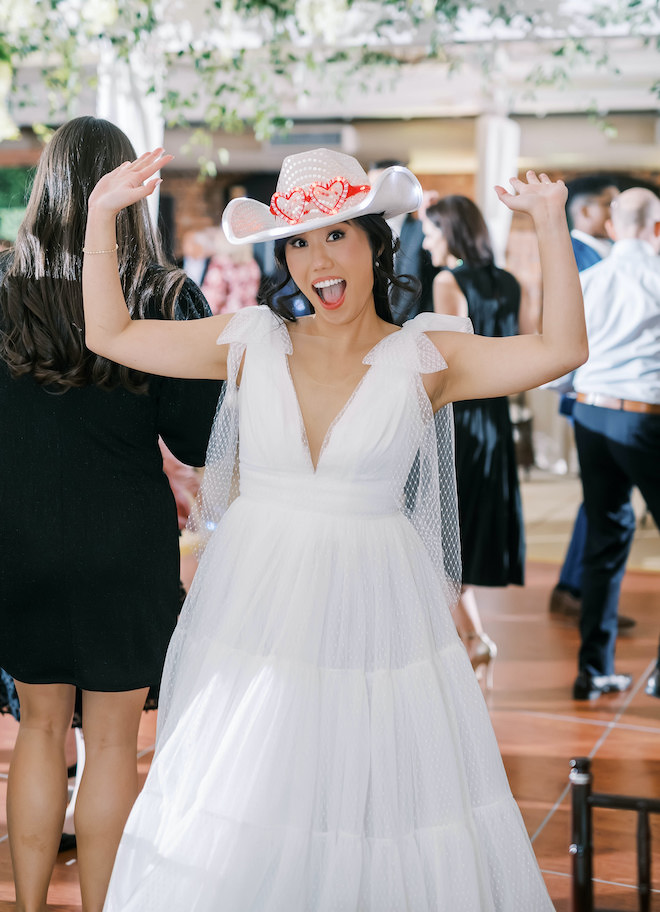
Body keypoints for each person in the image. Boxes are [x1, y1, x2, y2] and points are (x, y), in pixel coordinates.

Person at [82, 146, 585, 910]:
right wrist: (99, 216)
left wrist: (551, 221)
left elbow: (561, 351)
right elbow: (110, 334)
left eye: (335, 235)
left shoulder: (428, 354)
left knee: (373, 799)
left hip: (375, 608)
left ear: (375, 243)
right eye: (298, 241)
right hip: (256, 605)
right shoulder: (250, 340)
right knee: (253, 792)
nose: (316, 258)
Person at [0, 116, 221, 912]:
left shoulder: (1, 283)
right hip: (122, 539)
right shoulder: (162, 292)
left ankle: (26, 906)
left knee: (38, 729)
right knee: (113, 746)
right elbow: (194, 437)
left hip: (18, 535)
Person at [421, 195, 525, 687]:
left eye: (431, 231)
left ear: (451, 233)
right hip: (497, 416)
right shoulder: (509, 282)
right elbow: (519, 347)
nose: (425, 241)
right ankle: (473, 639)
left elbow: (450, 357)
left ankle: (468, 641)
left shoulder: (447, 281)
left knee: (440, 531)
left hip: (460, 417)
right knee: (460, 529)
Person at [570, 187, 660, 700]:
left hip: (590, 411)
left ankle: (594, 669)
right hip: (645, 418)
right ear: (657, 229)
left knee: (604, 539)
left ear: (611, 226)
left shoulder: (589, 278)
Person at [548, 175, 627, 624]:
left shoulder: (605, 255)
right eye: (607, 205)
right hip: (590, 390)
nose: (613, 214)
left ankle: (578, 586)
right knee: (600, 497)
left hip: (604, 391)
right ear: (583, 213)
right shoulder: (578, 258)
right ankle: (576, 586)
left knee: (600, 496)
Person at [368, 158, 436, 323]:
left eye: (379, 186)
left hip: (418, 326)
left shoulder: (423, 231)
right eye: (370, 187)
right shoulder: (366, 234)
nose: (372, 194)